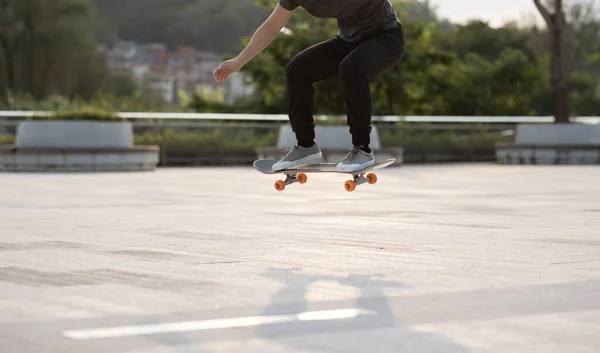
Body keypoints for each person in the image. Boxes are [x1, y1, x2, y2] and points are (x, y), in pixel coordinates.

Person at [214, 0, 405, 172]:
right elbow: (272, 26)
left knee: (351, 68)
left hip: (386, 37)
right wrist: (240, 61)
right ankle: (305, 146)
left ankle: (362, 149)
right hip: (349, 41)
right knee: (298, 69)